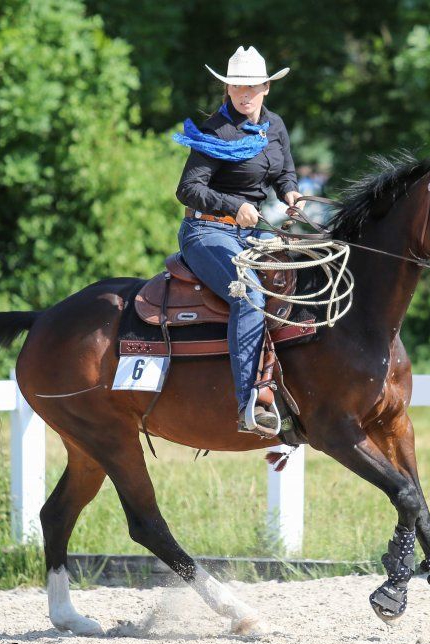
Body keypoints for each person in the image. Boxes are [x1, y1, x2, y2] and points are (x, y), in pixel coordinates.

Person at [173, 46, 303, 435]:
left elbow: (284, 173)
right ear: (227, 89)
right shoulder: (215, 131)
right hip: (207, 231)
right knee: (248, 294)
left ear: (267, 87)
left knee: (304, 277)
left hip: (255, 230)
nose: (244, 94)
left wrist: (292, 194)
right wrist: (232, 206)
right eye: (236, 87)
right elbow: (187, 189)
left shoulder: (274, 125)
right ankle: (251, 401)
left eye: (252, 87)